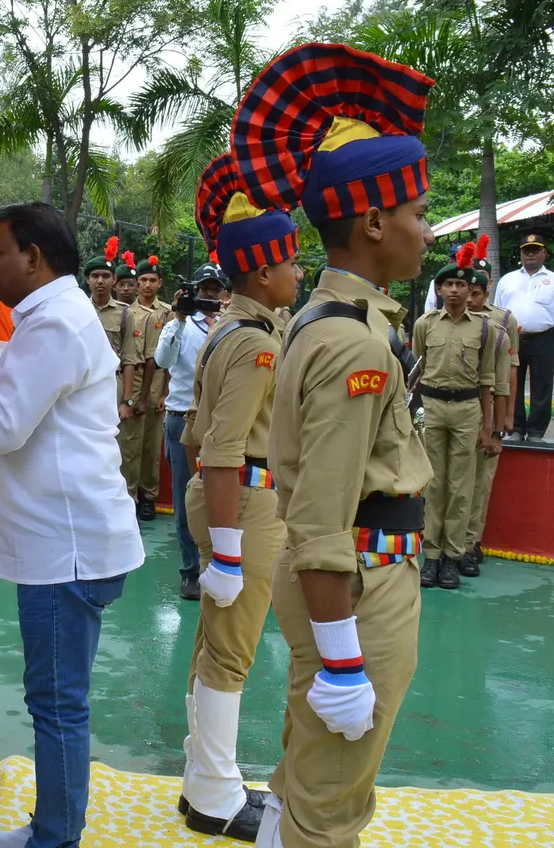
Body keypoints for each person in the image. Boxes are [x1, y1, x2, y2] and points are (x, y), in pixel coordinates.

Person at [233, 42, 436, 848]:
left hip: (349, 574)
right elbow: (319, 515)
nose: (426, 233)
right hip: (357, 578)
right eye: (418, 214)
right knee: (330, 805)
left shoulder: (332, 320)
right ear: (375, 220)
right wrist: (346, 657)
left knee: (306, 778)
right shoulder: (352, 343)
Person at [0, 202, 144, 848]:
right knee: (56, 699)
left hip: (64, 548)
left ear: (34, 257)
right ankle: (52, 828)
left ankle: (54, 839)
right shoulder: (52, 317)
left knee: (56, 704)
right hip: (61, 542)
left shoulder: (53, 325)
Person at [177, 152, 301, 841]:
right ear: (260, 271)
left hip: (235, 497)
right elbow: (222, 447)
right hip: (244, 501)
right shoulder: (254, 343)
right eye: (289, 263)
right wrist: (225, 552)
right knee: (230, 652)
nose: (298, 273)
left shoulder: (238, 327)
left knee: (212, 646)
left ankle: (204, 780)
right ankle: (219, 798)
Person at [412, 244, 495, 590]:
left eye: (462, 286)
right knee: (434, 483)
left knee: (462, 486)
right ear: (440, 289)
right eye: (449, 285)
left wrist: (488, 426)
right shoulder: (424, 324)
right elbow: (415, 372)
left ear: (470, 289)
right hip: (431, 407)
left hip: (466, 409)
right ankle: (430, 556)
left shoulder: (484, 328)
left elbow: (487, 379)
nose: (456, 291)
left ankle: (452, 556)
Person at [155, 262, 228, 600]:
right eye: (204, 288)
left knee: (223, 495)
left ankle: (220, 565)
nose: (209, 294)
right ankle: (190, 571)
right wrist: (180, 320)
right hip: (183, 416)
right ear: (195, 291)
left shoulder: (232, 323)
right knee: (187, 498)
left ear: (224, 292)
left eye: (215, 288)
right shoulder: (178, 325)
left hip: (222, 419)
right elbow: (163, 361)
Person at [462, 241, 518, 574]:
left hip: (488, 408)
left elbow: (509, 369)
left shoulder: (501, 321)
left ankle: (471, 541)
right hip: (456, 407)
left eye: (479, 282)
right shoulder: (446, 318)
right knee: (451, 480)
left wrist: (505, 416)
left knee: (480, 481)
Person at [492, 232, 554, 442]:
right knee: (511, 384)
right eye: (527, 251)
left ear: (544, 253)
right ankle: (515, 428)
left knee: (542, 387)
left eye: (536, 251)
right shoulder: (507, 280)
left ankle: (536, 432)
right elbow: (496, 313)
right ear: (521, 254)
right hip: (512, 340)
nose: (531, 255)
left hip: (544, 339)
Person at [123, 254, 169, 520]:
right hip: (135, 376)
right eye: (143, 280)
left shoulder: (168, 313)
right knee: (130, 442)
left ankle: (148, 497)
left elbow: (172, 357)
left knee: (152, 443)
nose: (147, 285)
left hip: (159, 380)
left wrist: (166, 392)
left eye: (152, 280)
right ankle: (129, 496)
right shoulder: (128, 312)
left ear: (159, 283)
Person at [83, 238, 139, 429]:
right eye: (95, 276)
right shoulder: (78, 310)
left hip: (112, 384)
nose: (100, 281)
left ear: (114, 280)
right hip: (82, 384)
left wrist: (127, 401)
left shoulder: (125, 313)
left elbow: (129, 359)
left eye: (106, 276)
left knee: (112, 439)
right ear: (87, 280)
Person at [423, 244, 458, 312]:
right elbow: (429, 309)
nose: (457, 262)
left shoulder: (473, 281)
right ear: (449, 260)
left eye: (462, 257)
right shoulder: (436, 282)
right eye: (455, 258)